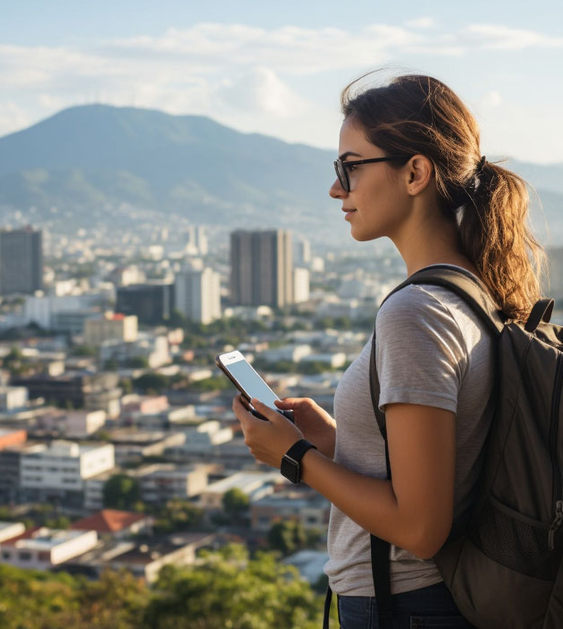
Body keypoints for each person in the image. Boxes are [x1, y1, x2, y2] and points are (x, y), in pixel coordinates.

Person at [233, 73, 545, 628]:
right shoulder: (473, 292)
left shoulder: (416, 312)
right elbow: (445, 464)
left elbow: (421, 528)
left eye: (350, 168)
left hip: (406, 606)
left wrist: (294, 457)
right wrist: (335, 438)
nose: (337, 189)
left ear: (415, 173)